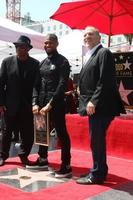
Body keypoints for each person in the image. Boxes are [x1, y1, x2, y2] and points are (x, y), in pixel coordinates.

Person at [76, 26, 125, 185]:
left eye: (90, 34)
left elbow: (105, 80)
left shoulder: (104, 53)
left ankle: (97, 174)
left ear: (99, 37)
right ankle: (99, 170)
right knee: (96, 140)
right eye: (84, 35)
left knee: (96, 140)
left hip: (101, 106)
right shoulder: (91, 54)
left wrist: (93, 101)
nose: (86, 37)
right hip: (95, 107)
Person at [27, 33, 72, 178]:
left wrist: (50, 104)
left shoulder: (63, 62)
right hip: (41, 104)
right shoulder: (42, 63)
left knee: (61, 133)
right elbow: (35, 85)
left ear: (56, 44)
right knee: (42, 132)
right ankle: (42, 159)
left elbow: (62, 85)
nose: (47, 45)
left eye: (50, 43)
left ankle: (66, 164)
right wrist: (34, 102)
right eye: (46, 43)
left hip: (56, 104)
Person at [0, 35, 40, 166]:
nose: (19, 48)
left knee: (28, 134)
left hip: (27, 106)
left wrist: (35, 103)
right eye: (18, 46)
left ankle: (24, 155)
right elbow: (1, 83)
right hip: (10, 105)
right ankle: (2, 156)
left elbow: (36, 85)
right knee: (6, 133)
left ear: (28, 49)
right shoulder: (7, 62)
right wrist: (1, 103)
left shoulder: (35, 64)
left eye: (23, 47)